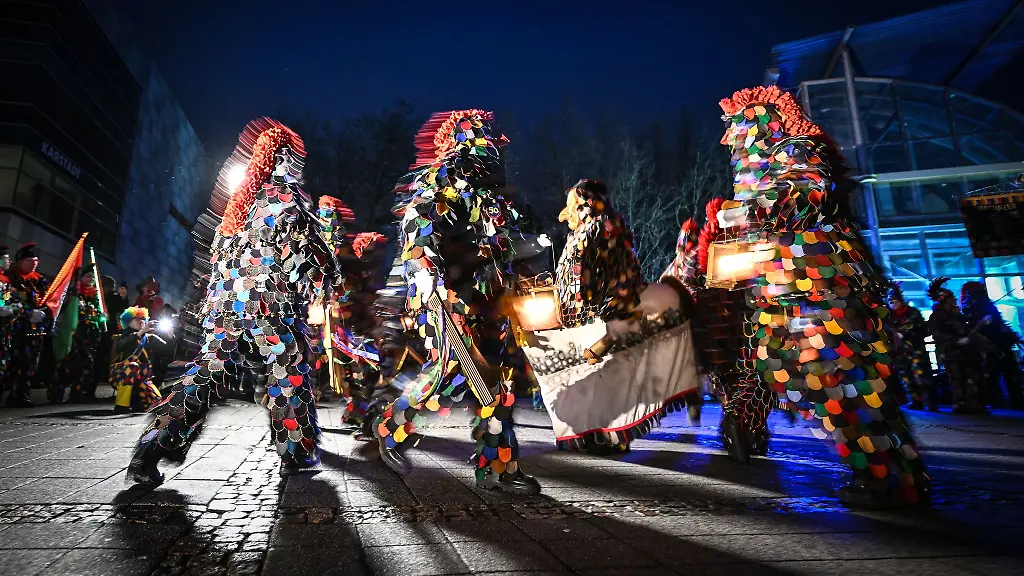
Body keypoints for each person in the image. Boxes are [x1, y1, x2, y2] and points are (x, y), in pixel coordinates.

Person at [700, 85, 928, 506]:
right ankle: (881, 473)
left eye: (739, 128)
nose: (730, 139)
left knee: (842, 380)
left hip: (823, 294)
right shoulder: (759, 173)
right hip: (785, 294)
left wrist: (750, 210)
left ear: (763, 125)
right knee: (793, 370)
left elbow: (808, 190)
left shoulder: (794, 151)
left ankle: (890, 479)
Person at [125, 118, 340, 486]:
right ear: (282, 160)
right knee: (287, 369)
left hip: (227, 311)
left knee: (207, 374)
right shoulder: (285, 202)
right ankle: (297, 452)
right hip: (269, 307)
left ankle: (150, 449)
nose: (298, 170)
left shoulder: (235, 213)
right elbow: (314, 258)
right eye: (295, 161)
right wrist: (327, 276)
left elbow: (217, 266)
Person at [373, 109, 540, 495]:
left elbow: (506, 242)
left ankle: (496, 467)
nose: (493, 149)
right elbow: (418, 229)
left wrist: (523, 270)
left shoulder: (492, 194)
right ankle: (392, 427)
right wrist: (430, 283)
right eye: (484, 140)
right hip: (447, 300)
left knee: (495, 381)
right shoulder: (441, 181)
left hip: (488, 303)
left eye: (493, 142)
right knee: (454, 375)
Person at [553, 179, 646, 453]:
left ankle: (605, 435)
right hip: (591, 316)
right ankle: (595, 433)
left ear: (588, 203)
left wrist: (591, 308)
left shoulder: (598, 228)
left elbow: (591, 273)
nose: (568, 211)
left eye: (574, 203)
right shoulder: (591, 230)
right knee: (592, 376)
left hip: (600, 316)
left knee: (600, 376)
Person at [928, 277, 987, 414]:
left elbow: (967, 325)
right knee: (957, 379)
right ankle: (960, 403)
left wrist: (980, 321)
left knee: (972, 377)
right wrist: (956, 340)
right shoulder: (936, 316)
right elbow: (937, 334)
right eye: (951, 299)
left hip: (967, 352)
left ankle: (973, 403)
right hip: (951, 353)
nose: (954, 301)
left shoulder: (957, 314)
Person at [960, 281, 1022, 409]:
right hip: (989, 344)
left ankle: (1007, 400)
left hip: (996, 343)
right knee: (998, 373)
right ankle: (1005, 400)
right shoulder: (976, 306)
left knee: (1002, 373)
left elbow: (998, 323)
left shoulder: (983, 306)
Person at [3, 244, 51, 408]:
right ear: (21, 261)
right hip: (15, 327)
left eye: (36, 261)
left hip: (35, 329)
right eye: (30, 260)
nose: (34, 264)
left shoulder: (39, 280)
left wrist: (44, 313)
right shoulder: (11, 278)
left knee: (30, 362)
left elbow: (49, 300)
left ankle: (21, 394)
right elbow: (10, 300)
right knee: (13, 362)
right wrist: (28, 313)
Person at [50, 271, 106, 403]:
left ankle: (77, 393)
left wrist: (102, 316)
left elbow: (98, 314)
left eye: (93, 277)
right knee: (66, 364)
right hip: (74, 333)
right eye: (87, 276)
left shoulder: (96, 296)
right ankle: (56, 394)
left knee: (86, 365)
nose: (90, 279)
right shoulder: (73, 292)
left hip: (90, 335)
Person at [887, 282, 936, 411]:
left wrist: (905, 333)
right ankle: (915, 401)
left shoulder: (912, 312)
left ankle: (930, 402)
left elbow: (922, 328)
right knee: (906, 378)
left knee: (921, 375)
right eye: (891, 302)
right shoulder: (889, 316)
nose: (893, 304)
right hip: (900, 353)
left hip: (916, 350)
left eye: (895, 301)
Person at [111, 306, 162, 413]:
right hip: (121, 375)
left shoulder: (150, 338)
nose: (141, 321)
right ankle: (121, 405)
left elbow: (167, 351)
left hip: (142, 378)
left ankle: (137, 402)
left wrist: (170, 335)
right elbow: (121, 346)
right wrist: (140, 333)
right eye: (137, 318)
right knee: (132, 367)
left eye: (143, 318)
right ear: (128, 322)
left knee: (158, 402)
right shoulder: (123, 336)